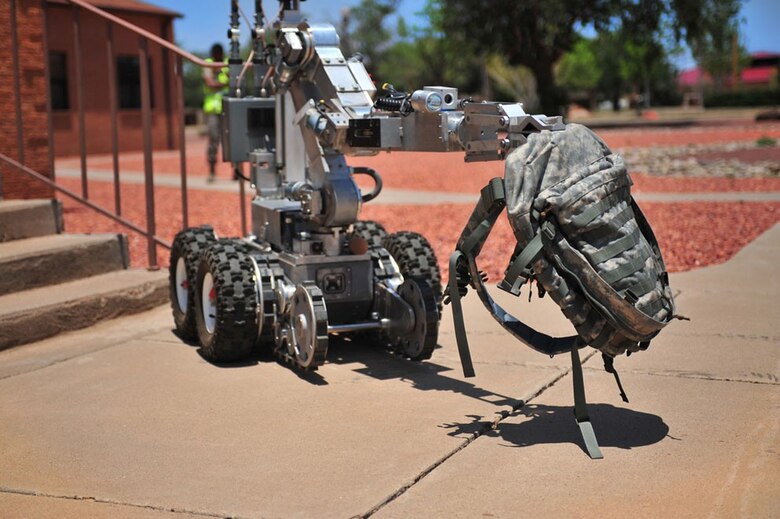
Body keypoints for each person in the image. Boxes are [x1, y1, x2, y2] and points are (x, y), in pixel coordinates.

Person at [203, 43, 229, 182]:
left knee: (231, 140)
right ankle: (212, 171)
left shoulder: (227, 64)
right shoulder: (207, 64)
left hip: (226, 108)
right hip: (212, 110)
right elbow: (209, 84)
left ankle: (235, 172)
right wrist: (224, 83)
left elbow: (234, 81)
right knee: (213, 140)